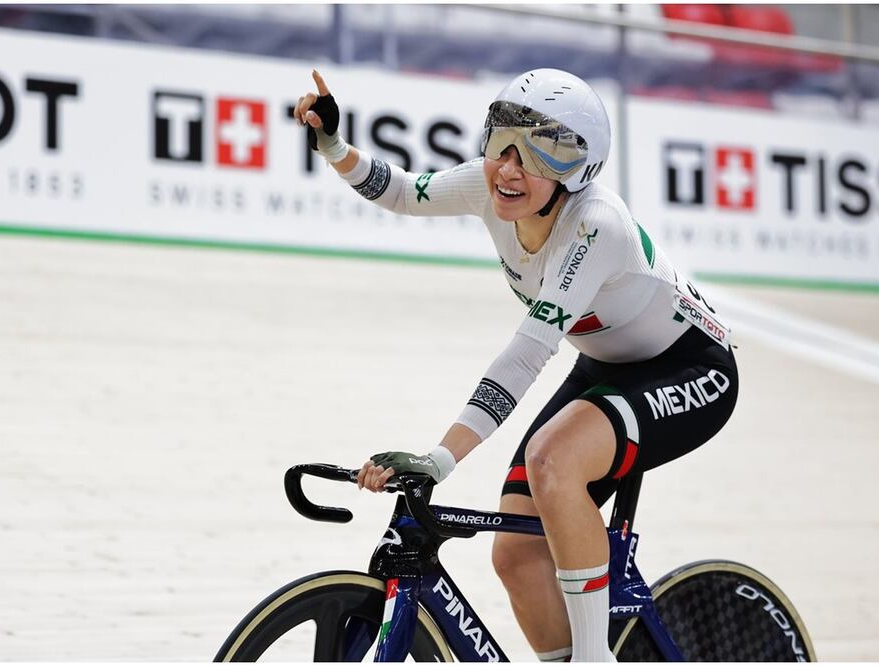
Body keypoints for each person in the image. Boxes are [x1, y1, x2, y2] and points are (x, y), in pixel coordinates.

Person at [295, 68, 738, 662]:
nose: (509, 167)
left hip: (691, 366)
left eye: (540, 154)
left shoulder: (595, 226)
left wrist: (440, 457)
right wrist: (333, 146)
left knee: (553, 460)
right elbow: (401, 190)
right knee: (516, 555)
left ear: (578, 171)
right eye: (503, 142)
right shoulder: (490, 186)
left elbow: (528, 352)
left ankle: (594, 658)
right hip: (608, 365)